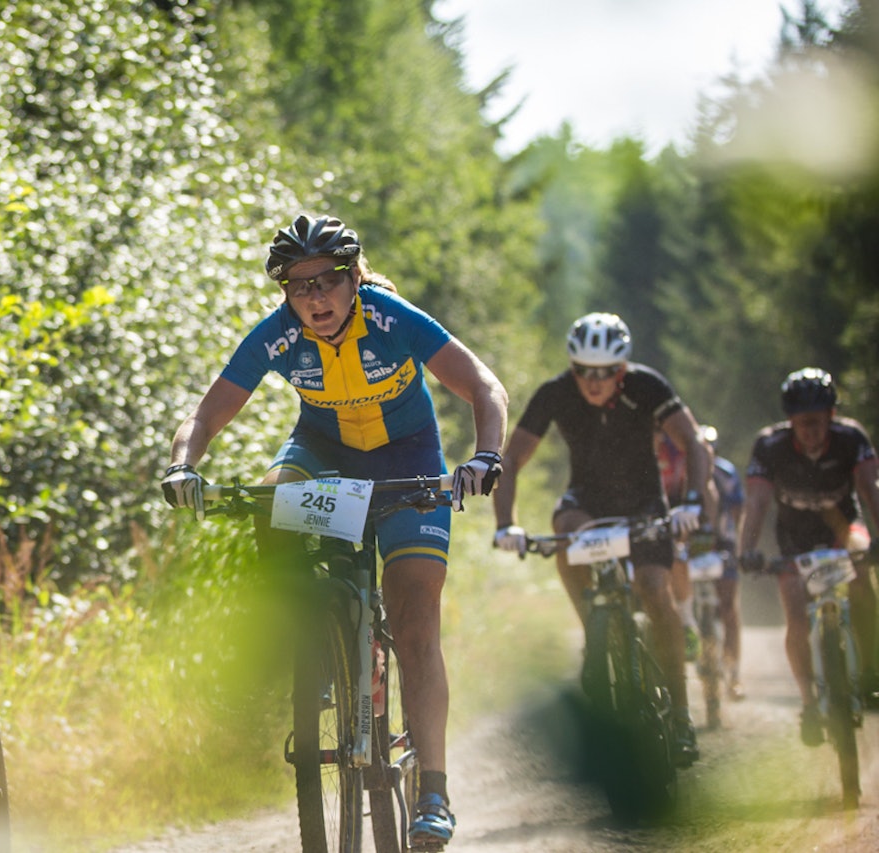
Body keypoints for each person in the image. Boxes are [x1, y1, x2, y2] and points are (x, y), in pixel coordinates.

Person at [161, 213, 508, 848]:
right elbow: (207, 414)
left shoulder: (392, 316)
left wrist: (485, 455)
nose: (314, 298)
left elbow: (484, 386)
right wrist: (184, 463)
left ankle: (433, 788)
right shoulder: (279, 335)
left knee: (414, 616)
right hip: (322, 451)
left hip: (408, 460)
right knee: (270, 500)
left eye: (326, 282)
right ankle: (309, 636)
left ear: (354, 278)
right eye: (298, 286)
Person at [491, 312, 716, 766]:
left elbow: (692, 442)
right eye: (583, 372)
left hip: (644, 503)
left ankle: (680, 714)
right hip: (587, 501)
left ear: (623, 370)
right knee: (565, 531)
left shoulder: (648, 386)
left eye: (606, 373)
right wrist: (505, 524)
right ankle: (593, 629)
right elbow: (510, 459)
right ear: (572, 368)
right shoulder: (556, 393)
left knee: (655, 589)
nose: (593, 383)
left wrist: (691, 502)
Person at [737, 367, 879, 746]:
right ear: (790, 421)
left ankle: (870, 671)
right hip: (794, 539)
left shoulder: (851, 438)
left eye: (817, 422)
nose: (810, 431)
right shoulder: (769, 446)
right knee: (796, 616)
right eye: (802, 424)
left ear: (832, 416)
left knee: (863, 578)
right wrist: (747, 549)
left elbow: (870, 489)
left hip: (843, 530)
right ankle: (810, 705)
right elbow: (757, 501)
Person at [659, 426, 747, 699]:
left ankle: (733, 674)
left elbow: (735, 514)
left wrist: (734, 547)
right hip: (684, 542)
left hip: (721, 540)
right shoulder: (672, 471)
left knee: (729, 606)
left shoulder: (725, 473)